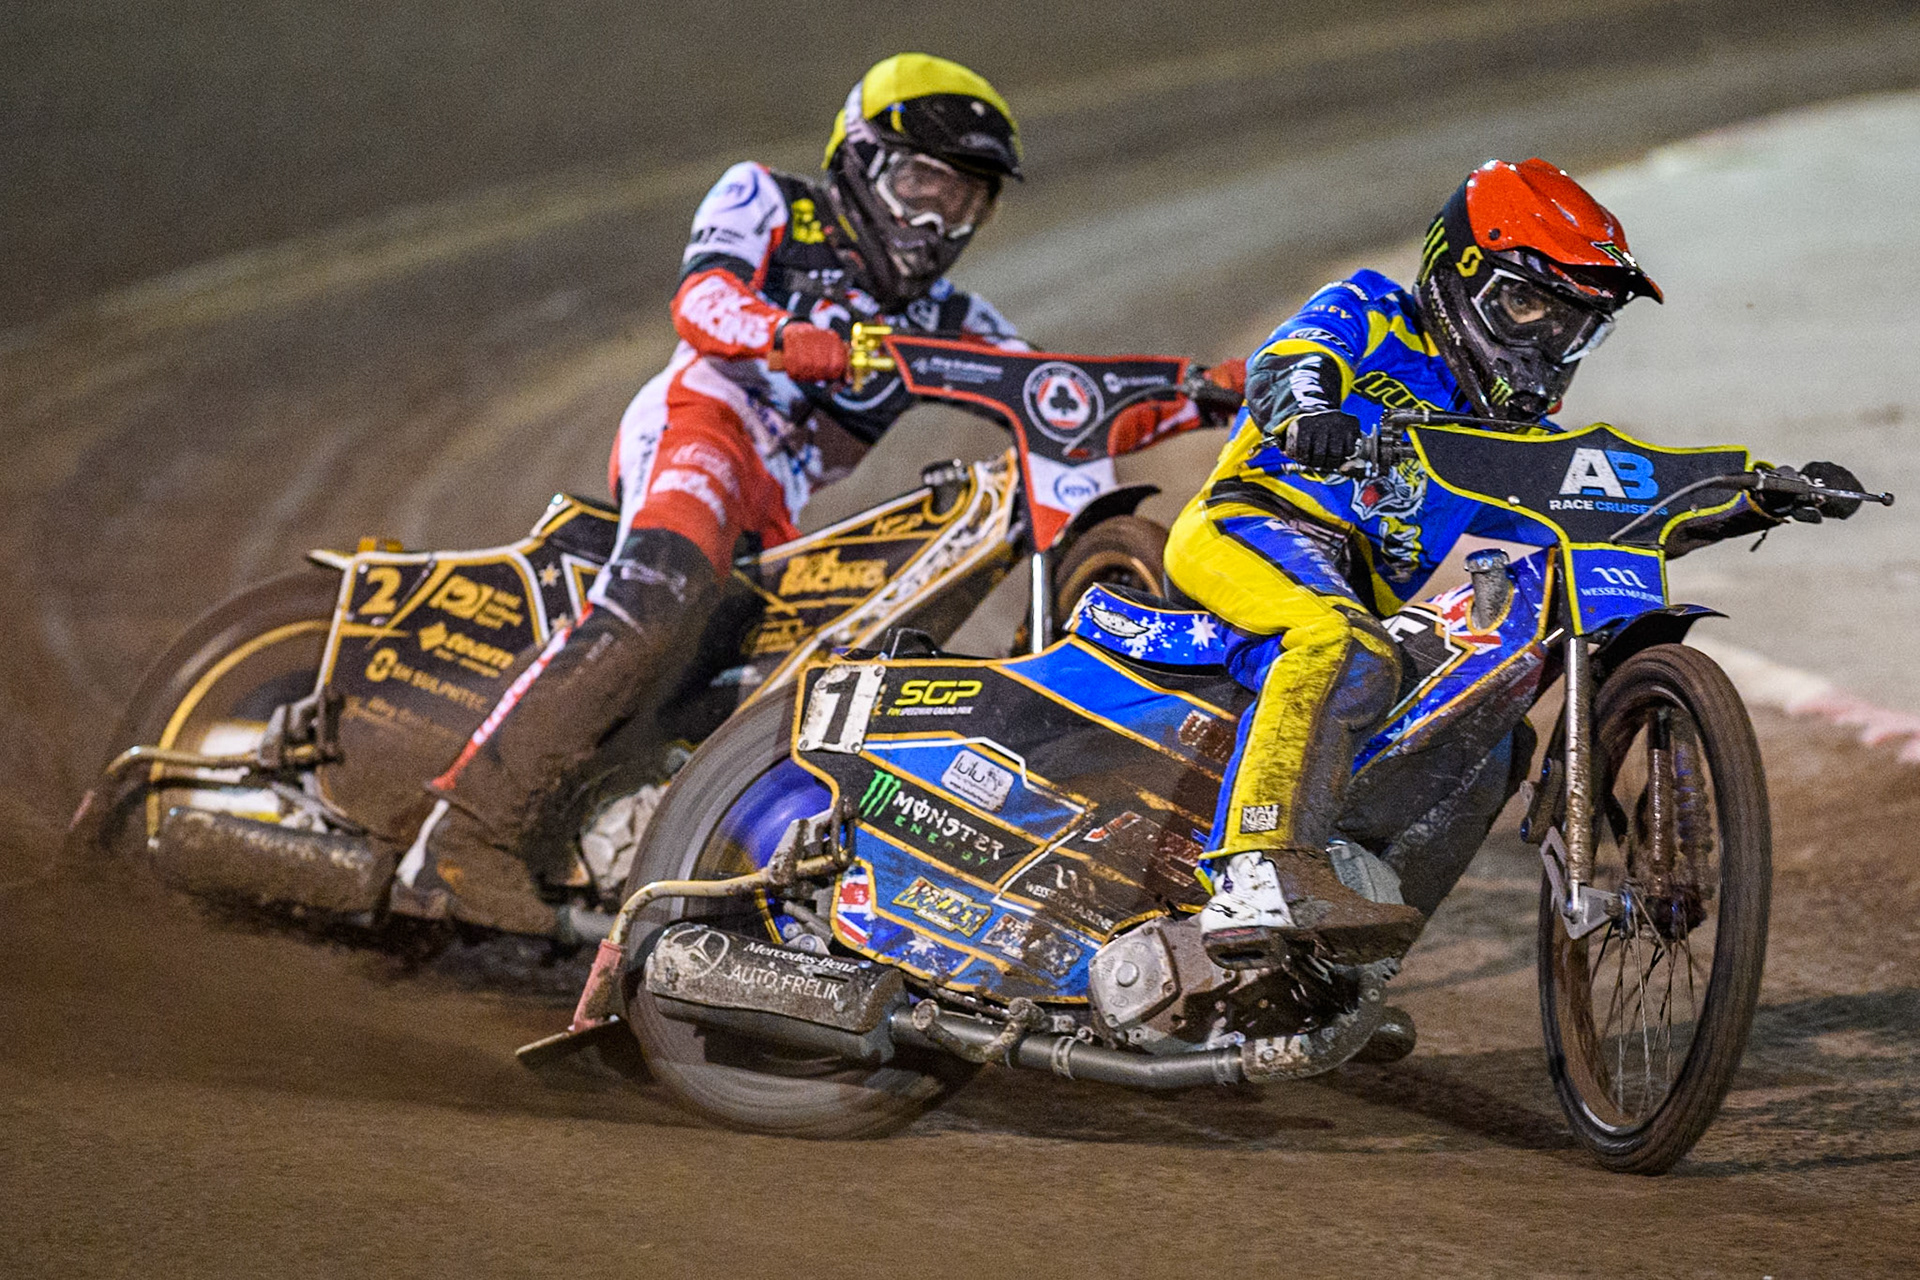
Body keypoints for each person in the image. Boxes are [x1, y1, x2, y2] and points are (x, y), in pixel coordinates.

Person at [389, 54, 1037, 933]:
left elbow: (1049, 388)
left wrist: (1217, 388)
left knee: (745, 690)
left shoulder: (952, 320)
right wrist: (787, 335)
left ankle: (628, 847)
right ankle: (459, 841)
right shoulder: (768, 197)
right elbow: (702, 300)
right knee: (664, 597)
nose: (934, 217)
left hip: (778, 507)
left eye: (960, 198)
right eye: (920, 181)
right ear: (858, 158)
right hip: (701, 423)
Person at [1167, 157, 1860, 970]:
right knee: (1342, 644)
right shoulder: (1372, 309)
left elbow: (1621, 520)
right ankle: (1256, 871)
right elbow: (1291, 362)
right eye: (1527, 305)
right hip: (1249, 524)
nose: (1545, 343)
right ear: (1459, 275)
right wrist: (1309, 412)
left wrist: (1758, 499)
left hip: (1353, 595)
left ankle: (1347, 971)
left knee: (1492, 744)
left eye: (1573, 326)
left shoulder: (1507, 444)